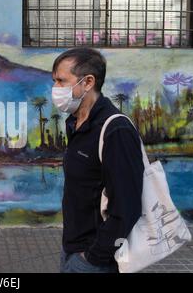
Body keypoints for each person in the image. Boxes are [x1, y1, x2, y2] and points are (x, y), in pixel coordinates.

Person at [51, 48, 144, 273]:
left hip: (94, 259)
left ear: (88, 82)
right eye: (54, 81)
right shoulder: (75, 122)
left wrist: (94, 257)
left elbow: (127, 206)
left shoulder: (115, 130)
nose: (55, 89)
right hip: (72, 248)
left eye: (62, 81)